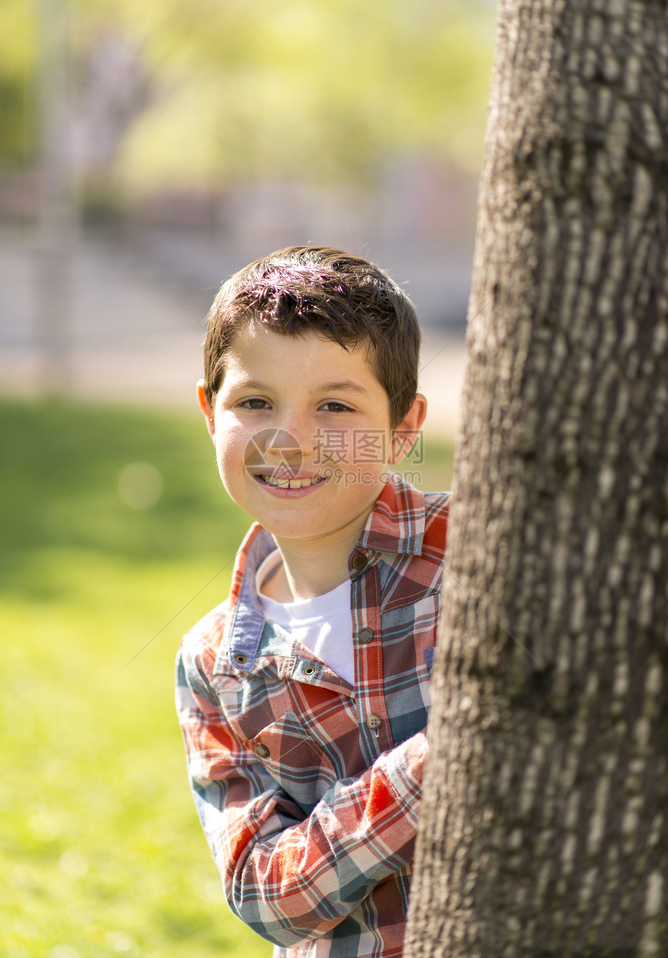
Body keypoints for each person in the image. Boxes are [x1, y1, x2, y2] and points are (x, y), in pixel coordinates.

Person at [175, 245, 451, 957]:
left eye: (334, 405)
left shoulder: (474, 551)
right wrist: (439, 760)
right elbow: (266, 895)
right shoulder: (213, 665)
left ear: (403, 427)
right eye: (256, 401)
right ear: (211, 413)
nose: (290, 440)